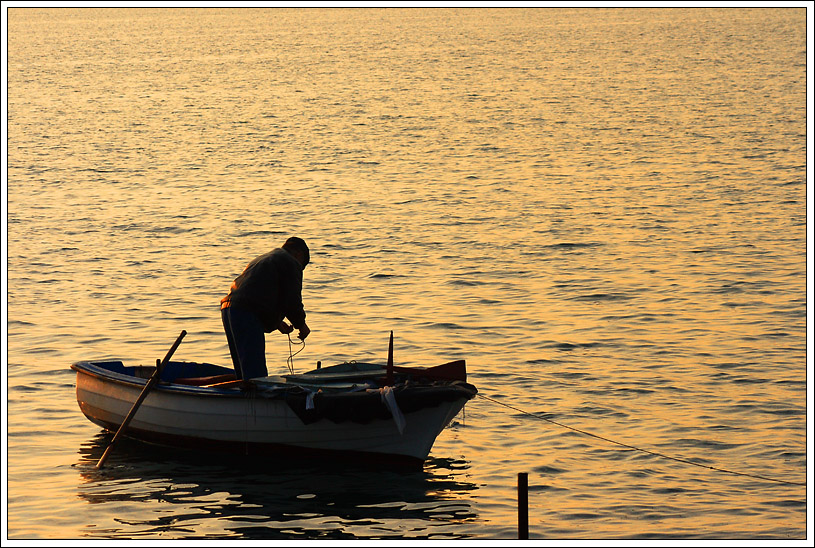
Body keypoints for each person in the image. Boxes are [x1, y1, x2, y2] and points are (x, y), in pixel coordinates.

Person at [220, 237, 311, 380]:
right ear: (299, 254)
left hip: (229, 309)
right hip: (246, 312)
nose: (301, 269)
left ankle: (244, 397)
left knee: (243, 370)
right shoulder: (290, 262)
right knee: (255, 374)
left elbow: (261, 293)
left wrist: (276, 323)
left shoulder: (267, 258)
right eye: (302, 265)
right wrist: (301, 325)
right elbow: (292, 300)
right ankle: (257, 399)